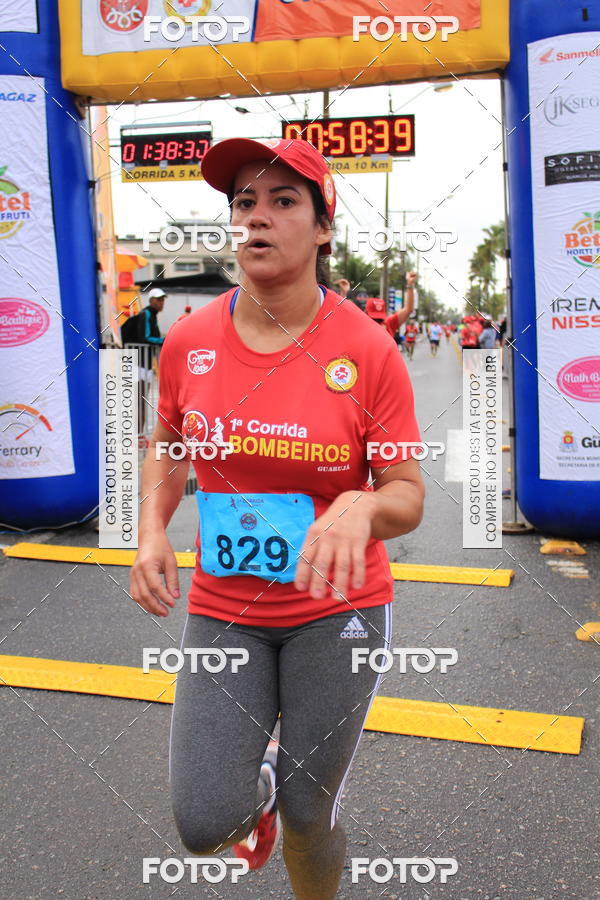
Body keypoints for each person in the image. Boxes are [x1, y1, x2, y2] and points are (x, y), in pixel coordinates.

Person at [130, 136, 424, 900]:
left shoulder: (367, 350)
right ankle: (253, 784)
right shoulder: (189, 342)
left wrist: (361, 503)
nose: (257, 218)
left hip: (340, 611)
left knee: (309, 814)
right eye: (244, 203)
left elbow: (407, 492)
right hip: (227, 608)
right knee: (204, 822)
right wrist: (152, 530)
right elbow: (166, 446)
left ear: (323, 229)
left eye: (284, 202)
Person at [383, 272, 417, 346]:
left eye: (380, 319)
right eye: (374, 318)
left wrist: (410, 284)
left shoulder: (387, 323)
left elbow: (409, 309)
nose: (378, 323)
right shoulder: (362, 328)